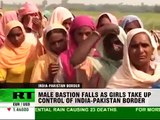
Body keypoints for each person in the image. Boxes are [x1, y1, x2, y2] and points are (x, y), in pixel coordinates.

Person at [58, 15, 97, 83]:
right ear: (73, 35)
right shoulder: (64, 58)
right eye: (80, 34)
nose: (84, 38)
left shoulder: (99, 56)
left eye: (88, 34)